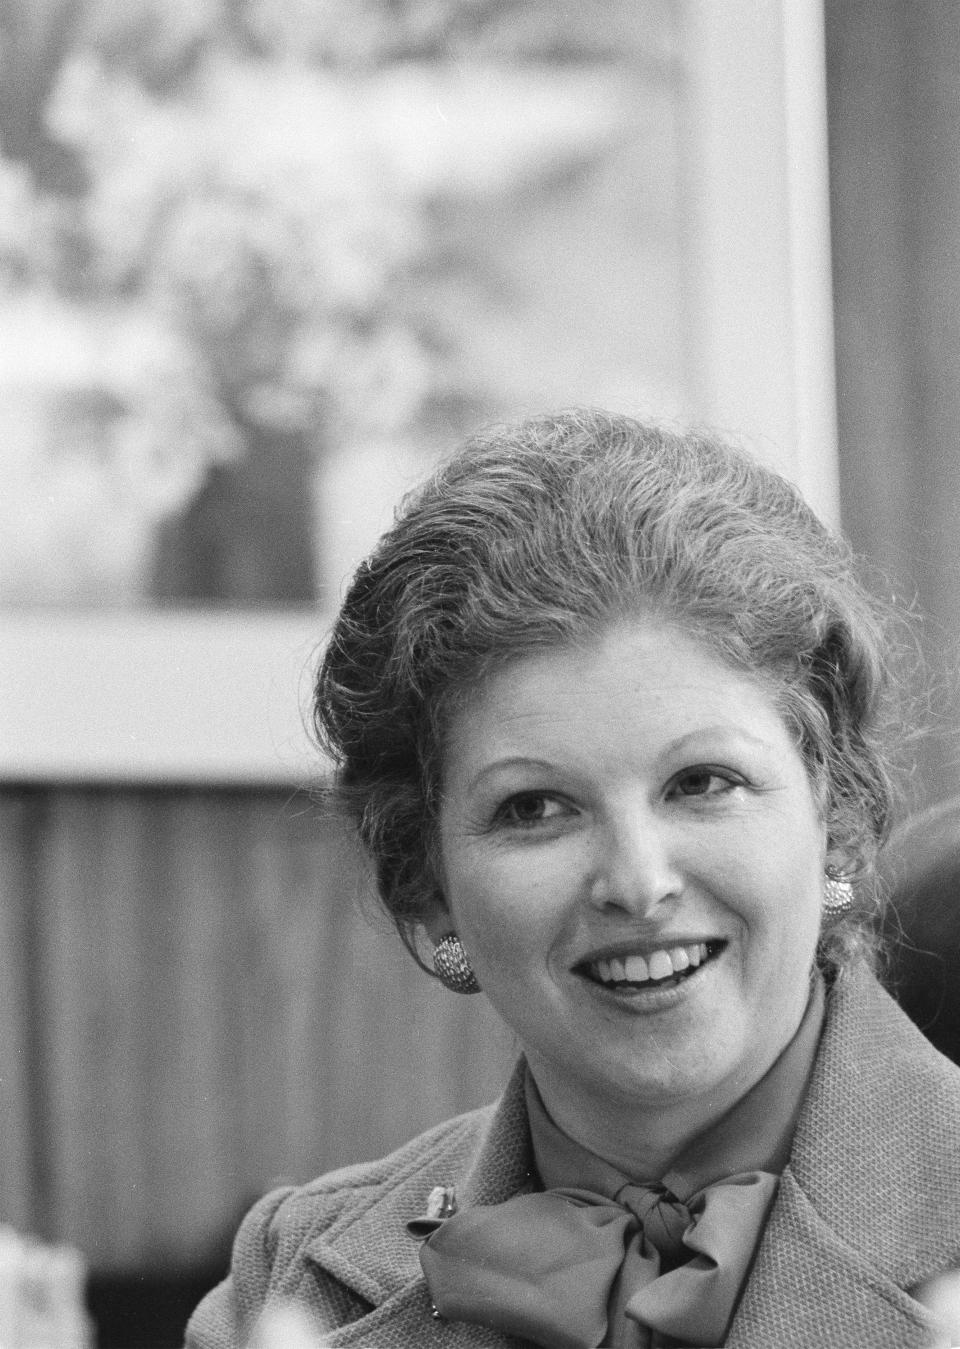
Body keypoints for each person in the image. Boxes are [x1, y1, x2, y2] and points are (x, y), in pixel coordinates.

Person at [186, 410, 960, 1349]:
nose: (637, 883)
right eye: (535, 808)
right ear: (423, 884)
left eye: (702, 783)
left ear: (834, 813)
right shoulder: (298, 1279)